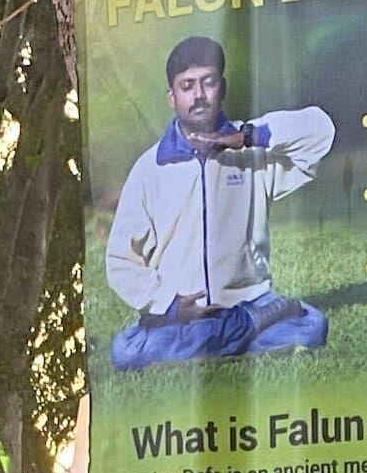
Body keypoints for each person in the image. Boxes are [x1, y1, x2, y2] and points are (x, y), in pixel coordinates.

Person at [103, 34, 336, 370]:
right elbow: (120, 259)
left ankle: (221, 337)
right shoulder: (150, 168)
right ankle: (248, 331)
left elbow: (320, 132)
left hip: (247, 300)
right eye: (187, 86)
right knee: (124, 352)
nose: (198, 96)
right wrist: (169, 305)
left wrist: (248, 138)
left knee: (314, 327)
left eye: (208, 83)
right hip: (184, 315)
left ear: (222, 88)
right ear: (171, 97)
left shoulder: (251, 150)